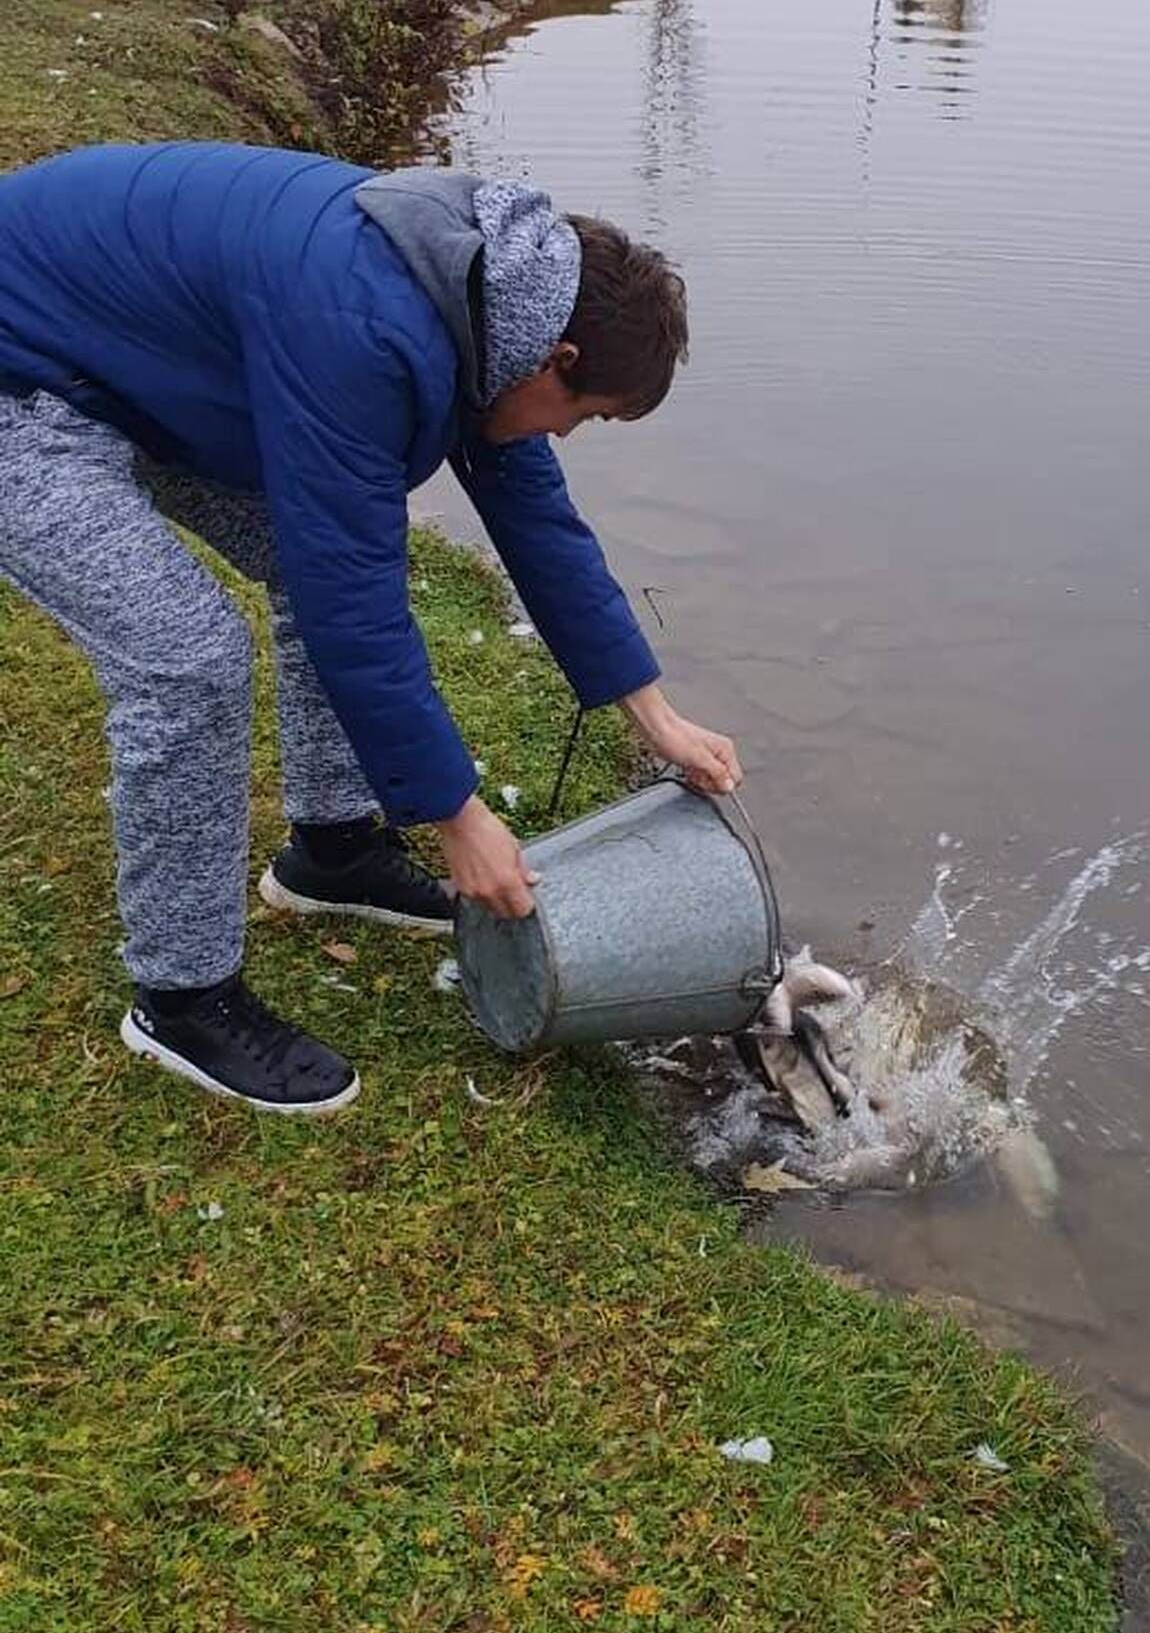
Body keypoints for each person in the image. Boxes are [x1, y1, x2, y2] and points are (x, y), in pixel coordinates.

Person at [0, 141, 741, 1115]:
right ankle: (182, 1000)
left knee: (336, 551)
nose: (567, 436)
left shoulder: (489, 295)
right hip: (24, 376)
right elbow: (352, 604)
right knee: (189, 659)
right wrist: (457, 818)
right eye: (585, 415)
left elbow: (536, 520)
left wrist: (651, 712)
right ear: (557, 359)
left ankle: (334, 853)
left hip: (125, 366)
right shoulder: (364, 322)